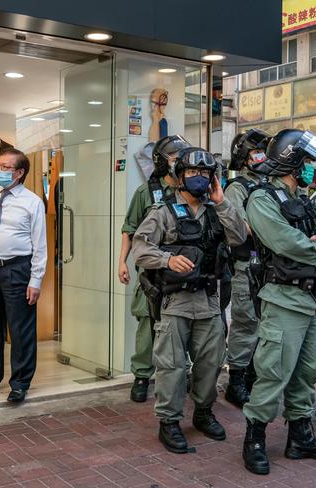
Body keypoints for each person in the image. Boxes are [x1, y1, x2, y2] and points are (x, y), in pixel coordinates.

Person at [241, 128, 316, 475]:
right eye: (306, 162)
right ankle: (255, 437)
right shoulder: (262, 198)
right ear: (291, 162)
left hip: (308, 299)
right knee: (273, 371)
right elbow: (285, 241)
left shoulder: (303, 200)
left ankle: (300, 436)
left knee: (307, 371)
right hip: (281, 299)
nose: (310, 168)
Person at [132, 147, 247, 454]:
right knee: (170, 366)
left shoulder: (218, 209)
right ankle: (168, 421)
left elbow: (239, 239)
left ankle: (203, 412)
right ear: (180, 177)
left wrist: (222, 202)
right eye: (193, 173)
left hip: (209, 302)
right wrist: (168, 260)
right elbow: (140, 250)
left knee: (210, 364)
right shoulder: (163, 211)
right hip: (175, 302)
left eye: (205, 174)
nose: (199, 179)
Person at [118, 135, 191, 403]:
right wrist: (122, 263)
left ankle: (183, 374)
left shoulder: (191, 189)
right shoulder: (146, 193)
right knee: (147, 325)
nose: (179, 162)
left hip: (183, 271)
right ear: (162, 162)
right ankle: (141, 376)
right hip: (151, 272)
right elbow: (129, 229)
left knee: (183, 325)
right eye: (174, 158)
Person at [0, 148, 47, 403]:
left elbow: (40, 245)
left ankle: (20, 382)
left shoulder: (32, 201)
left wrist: (35, 281)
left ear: (19, 172)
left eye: (5, 168)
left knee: (20, 328)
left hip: (18, 268)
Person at [223, 129, 270, 408]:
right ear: (243, 156)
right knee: (245, 324)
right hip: (247, 266)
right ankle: (236, 380)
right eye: (256, 151)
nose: (261, 156)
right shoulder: (238, 187)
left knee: (265, 326)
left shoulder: (270, 184)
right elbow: (241, 227)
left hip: (269, 267)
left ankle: (253, 375)